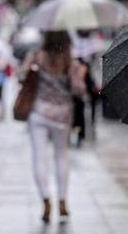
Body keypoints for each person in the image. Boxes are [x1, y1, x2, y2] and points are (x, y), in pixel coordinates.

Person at [20, 31, 86, 223]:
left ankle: (46, 200)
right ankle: (63, 201)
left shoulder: (36, 56)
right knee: (62, 155)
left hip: (38, 112)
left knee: (39, 156)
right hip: (63, 115)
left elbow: (21, 76)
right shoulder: (71, 63)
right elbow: (79, 91)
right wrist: (80, 74)